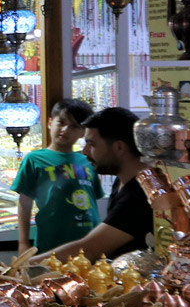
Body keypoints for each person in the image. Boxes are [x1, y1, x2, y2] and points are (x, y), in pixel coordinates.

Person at [49, 106, 153, 261]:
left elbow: (89, 249)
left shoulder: (139, 194)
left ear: (119, 147)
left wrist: (21, 267)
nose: (84, 151)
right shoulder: (121, 181)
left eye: (91, 144)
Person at [12, 97, 100, 256]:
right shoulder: (34, 160)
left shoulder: (87, 161)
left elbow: (94, 201)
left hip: (88, 241)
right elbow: (24, 204)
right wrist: (23, 243)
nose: (65, 130)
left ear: (82, 132)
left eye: (74, 126)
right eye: (61, 123)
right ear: (49, 122)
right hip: (51, 241)